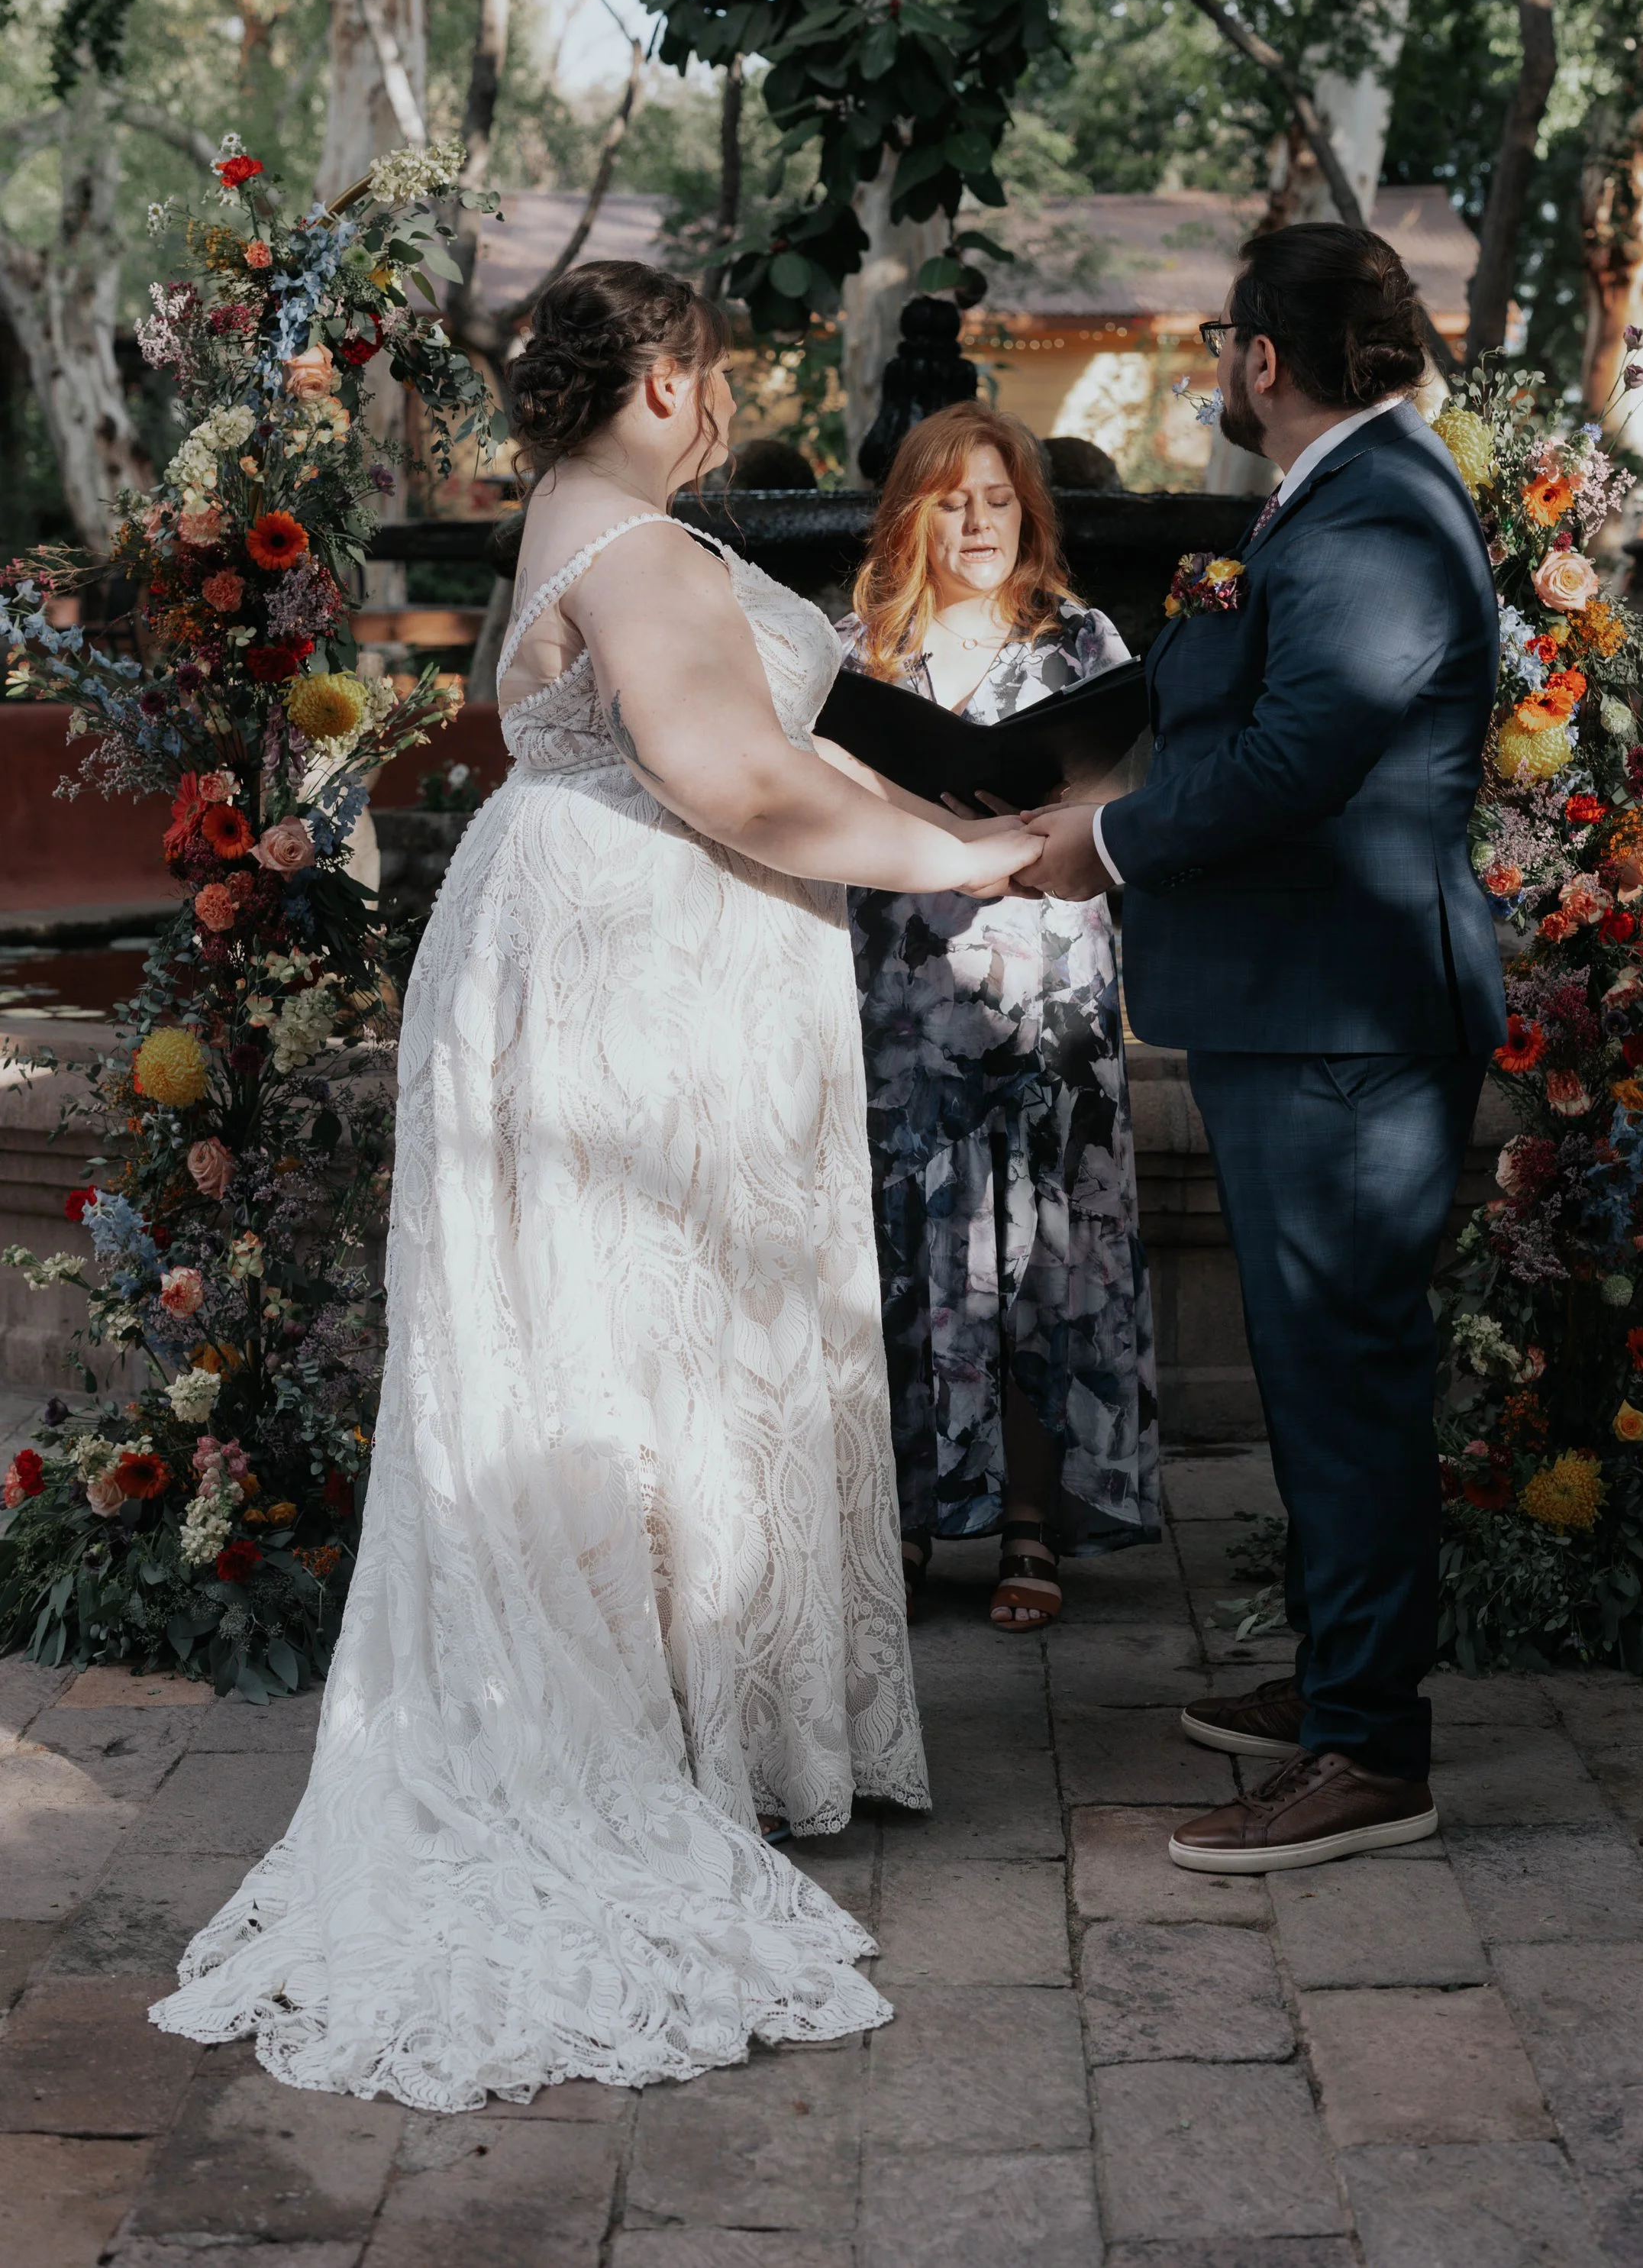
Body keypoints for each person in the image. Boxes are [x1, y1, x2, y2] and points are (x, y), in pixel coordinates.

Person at [153, 263, 1043, 2109]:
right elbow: (735, 780)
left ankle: (686, 1699)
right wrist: (971, 865)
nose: (720, 400)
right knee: (658, 1324)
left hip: (568, 939)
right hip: (639, 970)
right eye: (710, 371)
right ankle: (665, 1734)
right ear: (653, 377)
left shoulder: (562, 527)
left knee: (588, 1336)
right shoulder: (634, 550)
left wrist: (937, 815)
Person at [1022, 222, 1504, 1872]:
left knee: (1343, 1377)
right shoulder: (1319, 503)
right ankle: (1336, 1687)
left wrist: (1101, 846)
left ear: (1266, 360)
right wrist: (1044, 773)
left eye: (1222, 338)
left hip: (1345, 1022)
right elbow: (1223, 696)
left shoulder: (1377, 513)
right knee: (1314, 1376)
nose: (1213, 367)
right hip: (1286, 1008)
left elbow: (1300, 757)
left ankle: (1370, 1753)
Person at [838, 403, 1158, 1633]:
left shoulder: (1083, 641)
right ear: (909, 512)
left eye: (1000, 500)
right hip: (902, 992)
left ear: (1031, 513)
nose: (978, 522)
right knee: (902, 1259)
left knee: (1040, 1256)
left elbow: (1130, 800)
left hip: (1048, 998)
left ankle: (1031, 1524)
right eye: (951, 499)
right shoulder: (853, 648)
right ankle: (905, 1519)